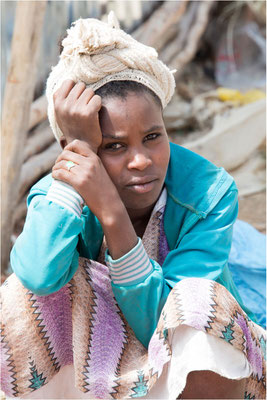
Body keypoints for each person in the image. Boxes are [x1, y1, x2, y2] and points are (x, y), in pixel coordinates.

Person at [1, 12, 265, 400]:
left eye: (153, 137)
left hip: (187, 377)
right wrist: (80, 173)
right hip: (97, 370)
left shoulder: (207, 193)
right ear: (79, 150)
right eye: (114, 146)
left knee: (198, 299)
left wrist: (112, 214)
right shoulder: (57, 194)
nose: (141, 160)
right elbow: (36, 276)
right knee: (19, 297)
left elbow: (170, 326)